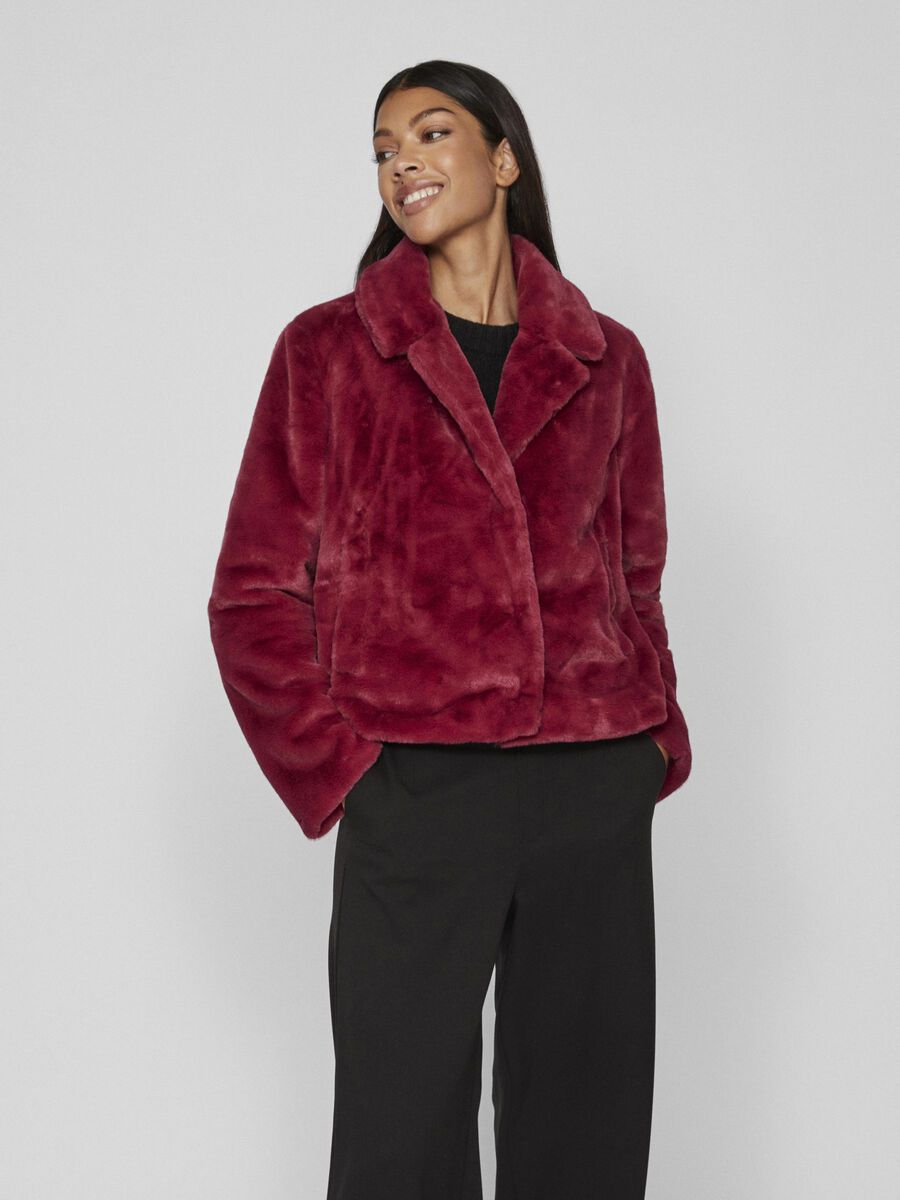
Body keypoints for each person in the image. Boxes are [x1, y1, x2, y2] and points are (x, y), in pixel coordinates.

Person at [208, 59, 692, 1200]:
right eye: (384, 149)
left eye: (431, 134)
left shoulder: (608, 356)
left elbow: (636, 570)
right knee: (400, 1132)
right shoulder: (329, 351)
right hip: (416, 787)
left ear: (504, 158)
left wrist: (652, 740)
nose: (402, 164)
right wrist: (347, 772)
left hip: (589, 781)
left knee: (586, 1125)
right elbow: (253, 594)